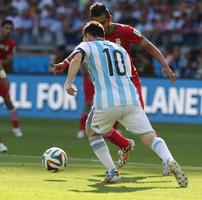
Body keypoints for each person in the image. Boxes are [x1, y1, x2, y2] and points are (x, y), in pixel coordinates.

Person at [52, 3, 175, 175]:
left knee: (139, 123)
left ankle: (164, 160)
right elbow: (77, 53)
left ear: (110, 18)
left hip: (129, 83)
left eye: (104, 22)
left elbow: (148, 46)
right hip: (107, 85)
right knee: (106, 126)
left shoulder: (125, 31)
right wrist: (65, 63)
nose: (101, 26)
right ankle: (125, 145)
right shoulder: (92, 35)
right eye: (97, 23)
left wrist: (165, 66)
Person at [65, 21, 187, 187]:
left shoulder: (87, 45)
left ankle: (112, 172)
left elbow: (77, 57)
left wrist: (69, 83)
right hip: (131, 99)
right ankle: (169, 160)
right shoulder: (120, 49)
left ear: (87, 36)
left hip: (107, 101)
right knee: (151, 137)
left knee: (91, 131)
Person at [0, 19, 23, 138]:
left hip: (1, 73)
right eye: (6, 28)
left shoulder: (11, 43)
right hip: (2, 72)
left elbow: (8, 60)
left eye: (10, 29)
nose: (8, 31)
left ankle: (16, 127)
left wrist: (3, 75)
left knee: (7, 100)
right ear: (1, 28)